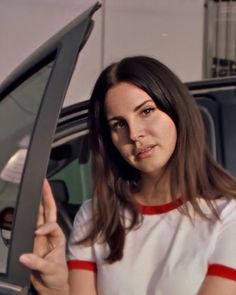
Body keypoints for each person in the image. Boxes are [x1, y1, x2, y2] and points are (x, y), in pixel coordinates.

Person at [20, 56, 236, 295]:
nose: (134, 134)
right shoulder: (95, 216)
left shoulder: (228, 215)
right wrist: (57, 289)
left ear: (176, 111)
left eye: (146, 111)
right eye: (118, 124)